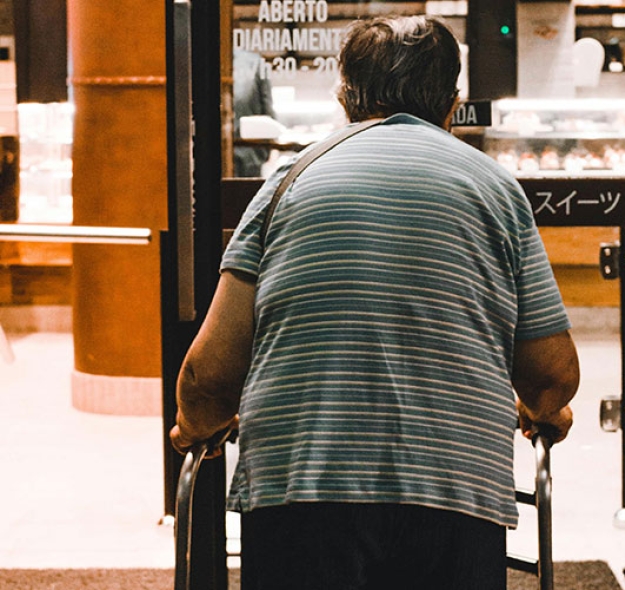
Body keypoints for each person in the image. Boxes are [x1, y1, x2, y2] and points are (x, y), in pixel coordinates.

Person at [170, 15, 579, 590]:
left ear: (344, 95)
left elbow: (209, 374)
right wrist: (544, 410)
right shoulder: (496, 190)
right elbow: (552, 374)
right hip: (455, 493)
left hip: (301, 494)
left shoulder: (287, 183)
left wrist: (196, 425)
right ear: (453, 102)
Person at [233, 49, 277, 177]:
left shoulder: (254, 62)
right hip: (250, 151)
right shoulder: (253, 62)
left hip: (248, 153)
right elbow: (267, 106)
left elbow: (267, 107)